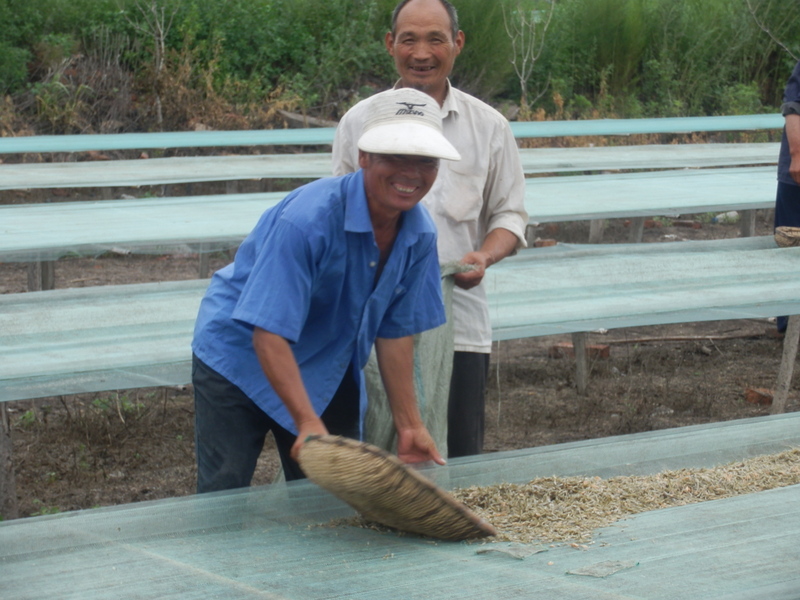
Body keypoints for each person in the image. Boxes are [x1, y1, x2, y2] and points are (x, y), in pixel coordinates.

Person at [192, 87, 461, 492]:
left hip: (326, 361)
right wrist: (306, 422)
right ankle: (215, 555)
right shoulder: (308, 221)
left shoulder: (418, 234)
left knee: (332, 498)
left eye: (425, 161)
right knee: (224, 490)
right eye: (394, 157)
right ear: (363, 157)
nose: (411, 173)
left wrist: (410, 424)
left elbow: (395, 332)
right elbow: (267, 332)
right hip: (240, 357)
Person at [332, 0, 528, 458]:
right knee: (365, 451)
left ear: (457, 44)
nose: (422, 52)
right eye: (409, 39)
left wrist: (485, 255)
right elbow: (339, 212)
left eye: (436, 38)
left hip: (457, 321)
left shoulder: (489, 127)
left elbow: (510, 216)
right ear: (390, 45)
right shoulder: (360, 122)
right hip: (370, 318)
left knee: (452, 454)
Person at [774, 60, 800, 334]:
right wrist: (797, 154)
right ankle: (788, 325)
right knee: (790, 246)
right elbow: (794, 107)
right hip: (797, 175)